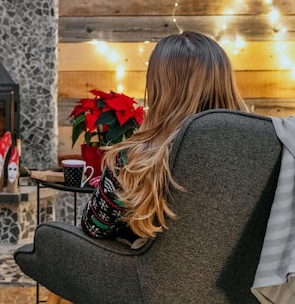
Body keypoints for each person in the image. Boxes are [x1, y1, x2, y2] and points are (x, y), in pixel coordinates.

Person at [81, 31, 248, 243]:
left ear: (158, 88)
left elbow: (95, 227)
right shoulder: (259, 148)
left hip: (154, 274)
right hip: (244, 275)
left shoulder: (133, 162)